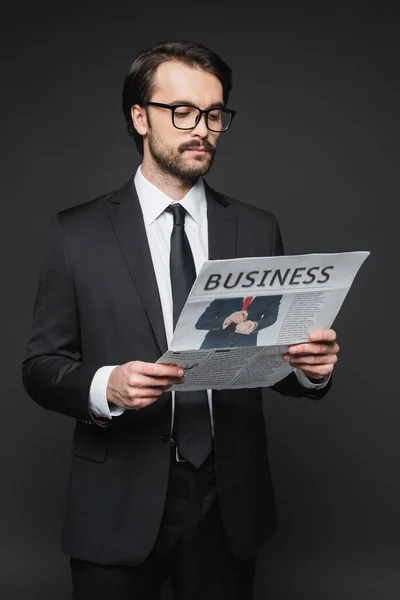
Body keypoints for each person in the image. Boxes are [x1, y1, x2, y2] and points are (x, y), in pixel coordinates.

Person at [22, 41, 339, 600]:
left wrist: (310, 369)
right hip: (116, 501)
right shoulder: (76, 233)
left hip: (230, 505)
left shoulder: (256, 228)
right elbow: (41, 366)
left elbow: (274, 363)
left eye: (215, 114)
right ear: (140, 117)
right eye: (184, 112)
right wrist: (107, 385)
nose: (203, 129)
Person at [195, 295, 282, 348]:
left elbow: (271, 317)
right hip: (214, 344)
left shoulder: (272, 294)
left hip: (245, 344)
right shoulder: (227, 290)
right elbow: (201, 323)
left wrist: (254, 325)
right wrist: (226, 320)